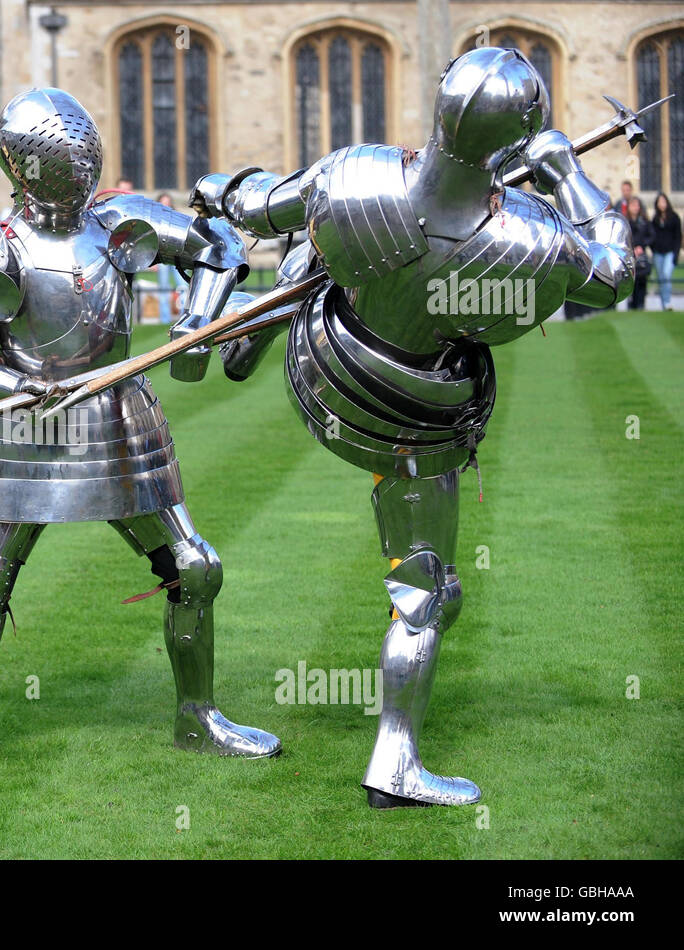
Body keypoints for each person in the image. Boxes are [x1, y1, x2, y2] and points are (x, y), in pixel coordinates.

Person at [194, 48, 631, 807]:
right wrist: (565, 172)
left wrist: (217, 188)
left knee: (323, 248)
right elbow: (615, 273)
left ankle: (249, 330)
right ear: (522, 136)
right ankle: (395, 765)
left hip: (327, 368)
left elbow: (259, 205)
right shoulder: (537, 243)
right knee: (424, 589)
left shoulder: (352, 174)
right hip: (410, 421)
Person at [0, 88, 277, 778]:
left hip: (118, 421)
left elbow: (218, 244)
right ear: (24, 166)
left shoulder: (121, 221)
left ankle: (199, 717)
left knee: (195, 567)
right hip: (24, 431)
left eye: (82, 155)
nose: (78, 169)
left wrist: (197, 320)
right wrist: (17, 387)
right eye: (62, 158)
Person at [153, 192, 182, 324]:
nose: (165, 205)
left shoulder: (177, 219)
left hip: (177, 257)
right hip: (162, 258)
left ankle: (184, 315)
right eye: (163, 202)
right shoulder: (153, 219)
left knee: (182, 286)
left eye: (167, 202)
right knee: (163, 288)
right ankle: (165, 319)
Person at [650, 192, 680, 310]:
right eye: (659, 202)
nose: (662, 204)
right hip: (658, 252)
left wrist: (676, 253)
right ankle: (664, 304)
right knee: (661, 278)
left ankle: (667, 301)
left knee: (666, 275)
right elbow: (652, 236)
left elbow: (678, 237)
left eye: (663, 201)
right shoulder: (655, 219)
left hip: (669, 252)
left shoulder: (674, 218)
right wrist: (653, 248)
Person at [626, 196, 653, 310]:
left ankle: (641, 303)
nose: (635, 208)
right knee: (631, 280)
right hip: (629, 253)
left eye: (637, 205)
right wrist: (631, 248)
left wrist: (642, 246)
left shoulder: (644, 221)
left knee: (642, 279)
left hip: (641, 254)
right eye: (633, 205)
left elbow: (651, 235)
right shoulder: (626, 221)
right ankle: (631, 302)